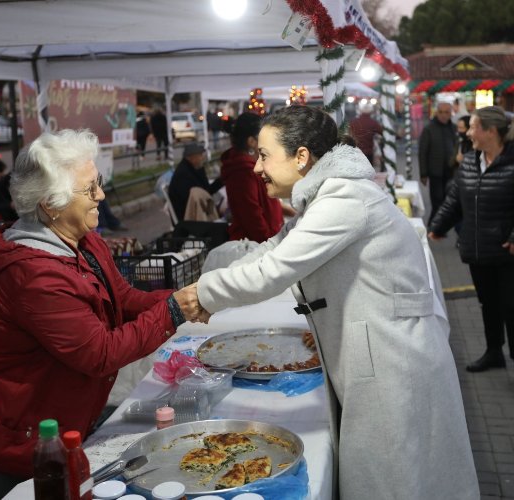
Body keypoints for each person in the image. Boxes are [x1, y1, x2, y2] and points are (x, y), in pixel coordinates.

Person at [191, 106, 479, 499]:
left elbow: (273, 270)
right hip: (379, 346)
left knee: (395, 478)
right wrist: (203, 287)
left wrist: (197, 297)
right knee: (392, 473)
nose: (257, 167)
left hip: (394, 358)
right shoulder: (327, 193)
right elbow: (273, 249)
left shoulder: (345, 198)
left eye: (264, 155)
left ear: (302, 157)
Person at [0, 129, 204, 500]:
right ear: (50, 204)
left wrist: (186, 299)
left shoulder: (82, 240)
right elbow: (99, 354)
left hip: (31, 418)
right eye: (90, 189)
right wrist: (174, 310)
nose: (101, 196)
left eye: (98, 183)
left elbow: (122, 298)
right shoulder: (34, 275)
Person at [428, 106, 514, 397]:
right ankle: (494, 351)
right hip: (481, 249)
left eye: (473, 127)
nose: (468, 133)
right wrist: (437, 225)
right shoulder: (470, 161)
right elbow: (455, 198)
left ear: (491, 131)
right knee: (489, 304)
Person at [220, 112, 284, 242]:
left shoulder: (249, 166)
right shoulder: (242, 172)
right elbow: (252, 217)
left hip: (266, 241)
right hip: (256, 246)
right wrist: (270, 242)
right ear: (251, 141)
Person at [419, 101, 458, 224]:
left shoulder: (454, 128)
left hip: (450, 171)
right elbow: (422, 152)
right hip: (435, 171)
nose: (443, 115)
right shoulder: (429, 128)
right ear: (436, 112)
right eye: (441, 112)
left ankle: (439, 225)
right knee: (437, 200)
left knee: (447, 199)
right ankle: (433, 226)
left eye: (446, 112)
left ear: (451, 113)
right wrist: (423, 173)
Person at [167, 142, 223, 221]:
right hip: (188, 216)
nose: (202, 157)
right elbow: (194, 200)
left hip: (197, 211)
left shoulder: (194, 168)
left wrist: (221, 180)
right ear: (191, 157)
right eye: (200, 155)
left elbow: (206, 192)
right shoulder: (183, 175)